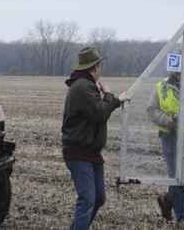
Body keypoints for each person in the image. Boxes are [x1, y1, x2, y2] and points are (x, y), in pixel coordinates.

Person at [61, 47, 122, 230]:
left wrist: (117, 101)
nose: (100, 69)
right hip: (79, 152)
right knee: (87, 199)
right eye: (99, 65)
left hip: (91, 152)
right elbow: (100, 113)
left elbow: (98, 108)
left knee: (98, 198)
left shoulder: (86, 85)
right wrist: (109, 95)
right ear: (94, 67)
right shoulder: (82, 87)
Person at [147, 71, 184, 223]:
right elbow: (152, 110)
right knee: (178, 176)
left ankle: (167, 200)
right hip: (170, 136)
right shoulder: (161, 87)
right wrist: (169, 120)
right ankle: (183, 218)